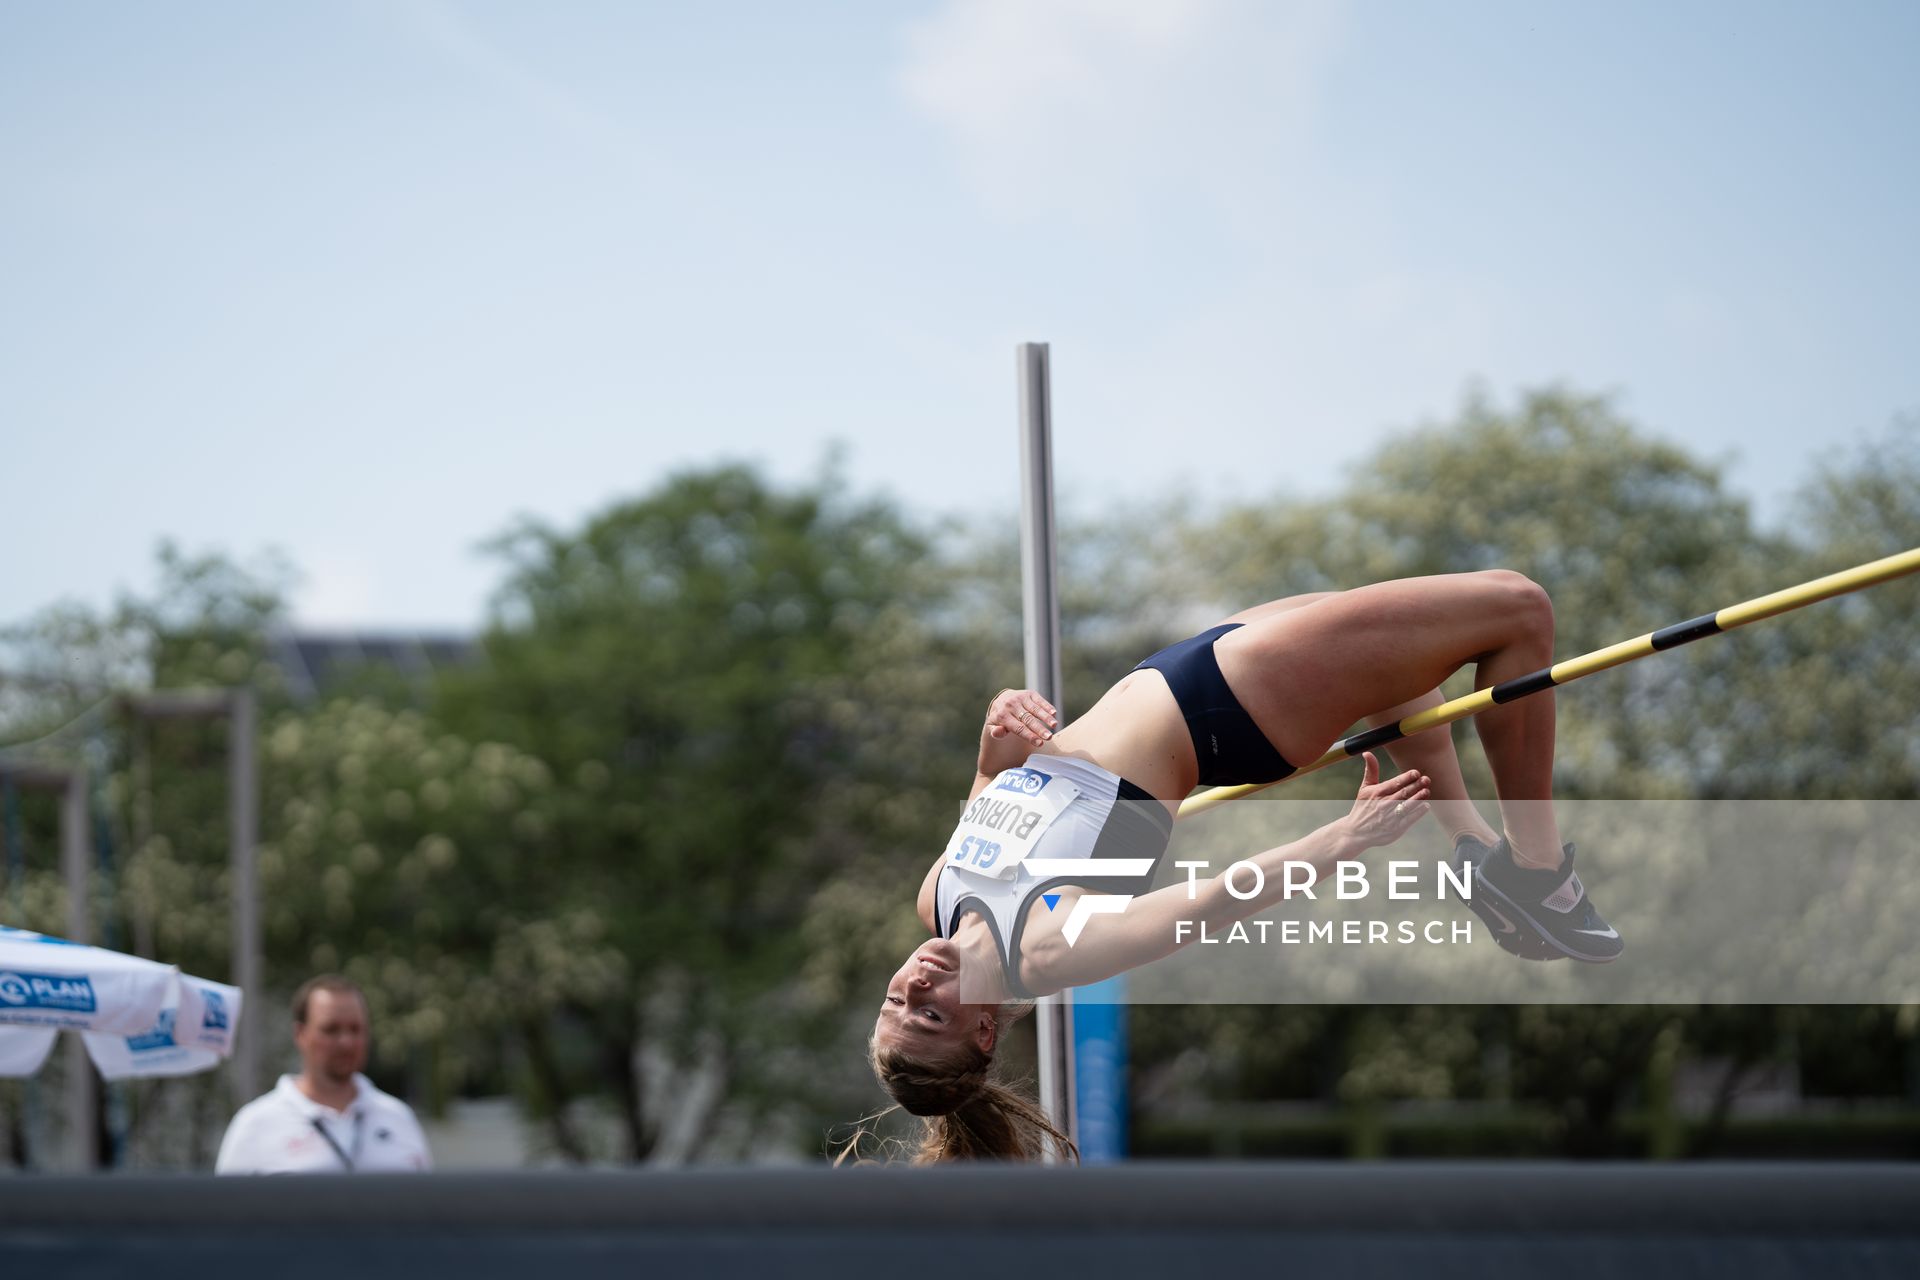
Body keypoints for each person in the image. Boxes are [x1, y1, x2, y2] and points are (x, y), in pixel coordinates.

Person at [857, 571, 1619, 1162]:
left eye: (895, 1004)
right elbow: (1207, 905)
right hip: (1227, 709)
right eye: (929, 1014)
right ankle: (1538, 870)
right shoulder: (1048, 947)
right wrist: (1339, 842)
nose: (913, 985)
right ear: (985, 1030)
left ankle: (1475, 851)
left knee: (1406, 668)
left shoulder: (938, 900)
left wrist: (998, 727)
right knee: (1519, 609)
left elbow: (994, 783)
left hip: (1176, 671)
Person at [215, 974, 432, 1174]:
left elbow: (428, 1210)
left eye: (355, 1029)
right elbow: (223, 1213)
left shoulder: (399, 1118)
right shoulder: (255, 1124)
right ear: (300, 1034)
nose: (346, 1042)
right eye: (331, 1029)